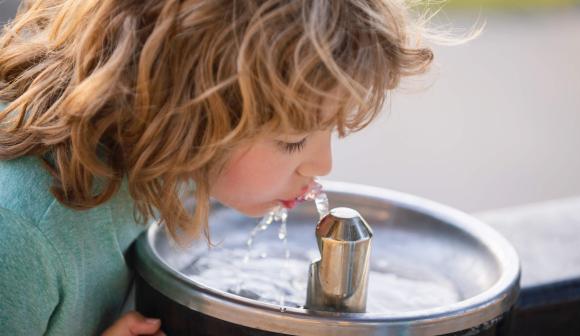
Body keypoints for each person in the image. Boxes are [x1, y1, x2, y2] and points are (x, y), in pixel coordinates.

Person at [0, 0, 452, 334]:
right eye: (293, 139)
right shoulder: (20, 238)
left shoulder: (171, 164)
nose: (322, 164)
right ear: (184, 110)